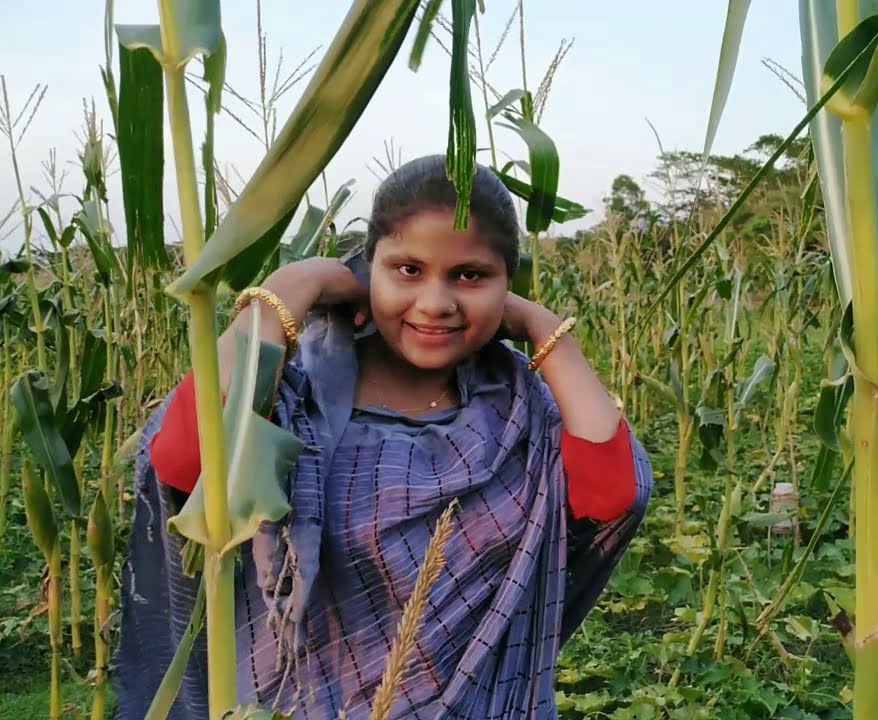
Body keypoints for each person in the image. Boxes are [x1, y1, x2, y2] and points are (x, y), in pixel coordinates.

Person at [113, 155, 654, 719]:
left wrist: (545, 329)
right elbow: (184, 460)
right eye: (407, 269)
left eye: (471, 275)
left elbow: (615, 496)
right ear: (368, 267)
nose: (436, 303)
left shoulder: (519, 410)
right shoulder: (295, 396)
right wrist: (288, 288)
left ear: (507, 285)